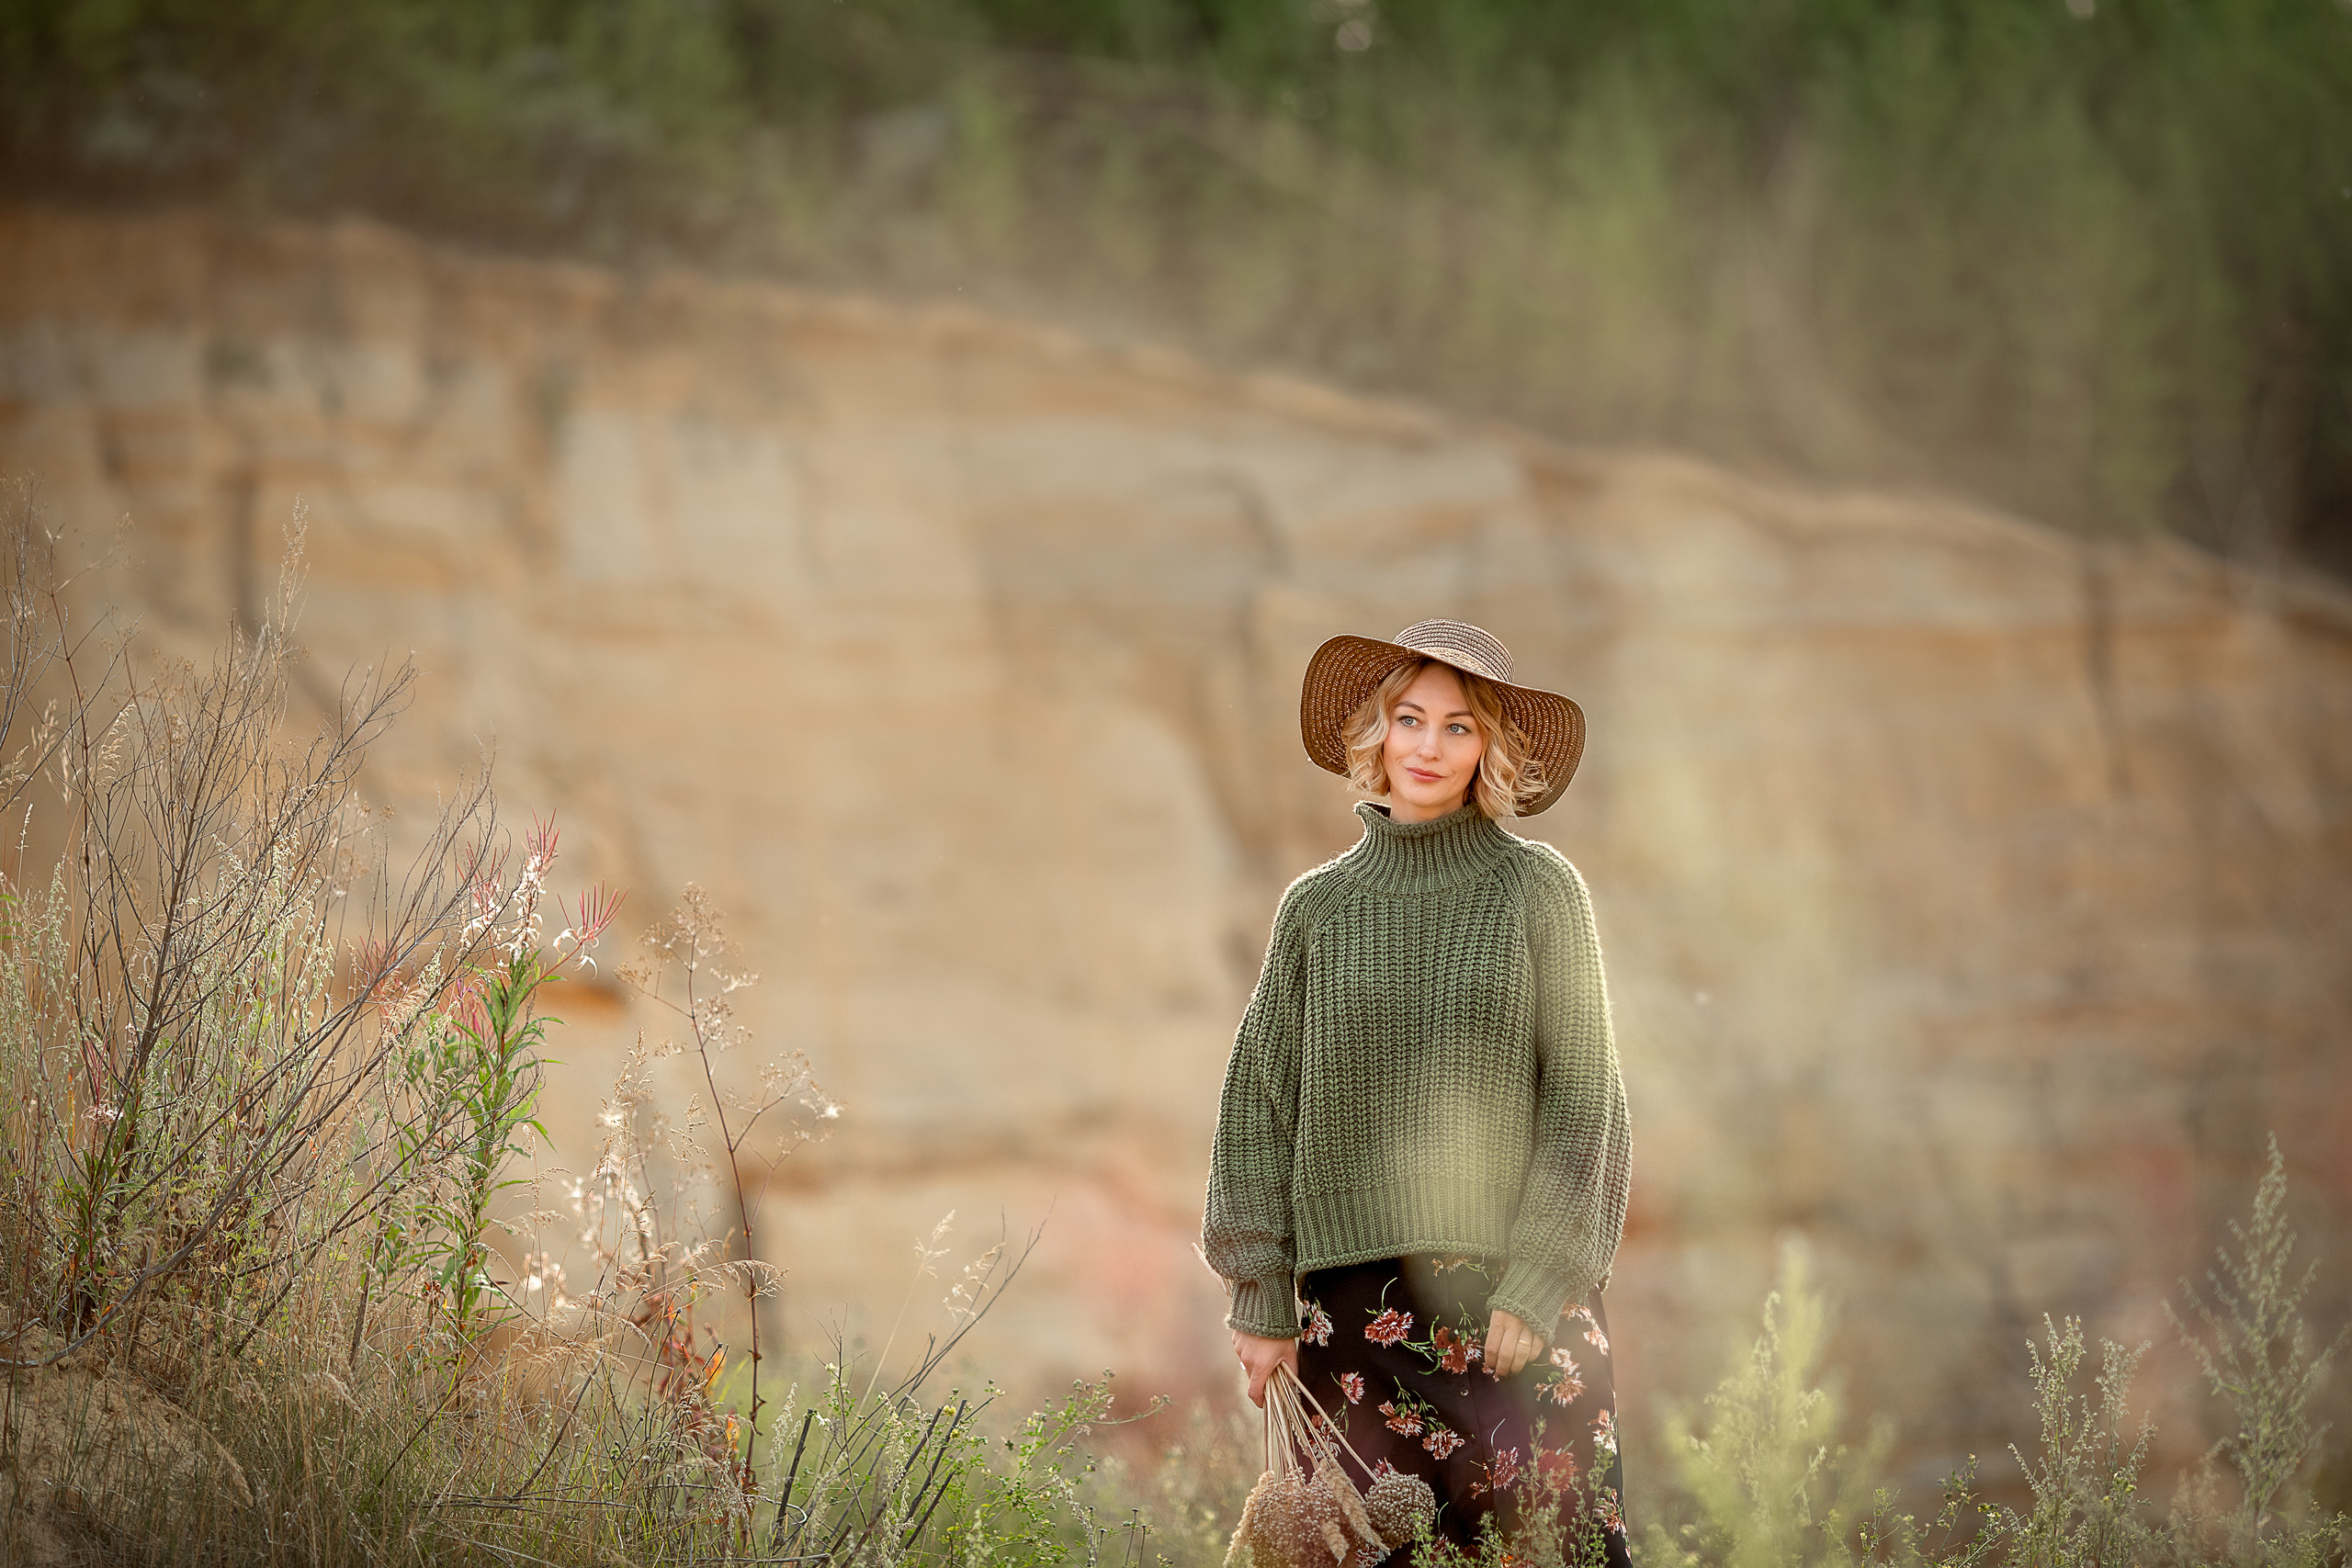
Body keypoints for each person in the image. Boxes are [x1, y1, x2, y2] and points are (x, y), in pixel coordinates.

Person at [1202, 620, 1633, 1562]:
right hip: (1356, 1317)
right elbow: (1257, 1107)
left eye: (1458, 727)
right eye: (1409, 719)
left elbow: (1584, 1097)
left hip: (1517, 1309)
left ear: (1493, 750)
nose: (1428, 748)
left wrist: (1541, 1275)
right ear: (1376, 734)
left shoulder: (1538, 891)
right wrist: (1260, 1297)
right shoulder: (1316, 908)